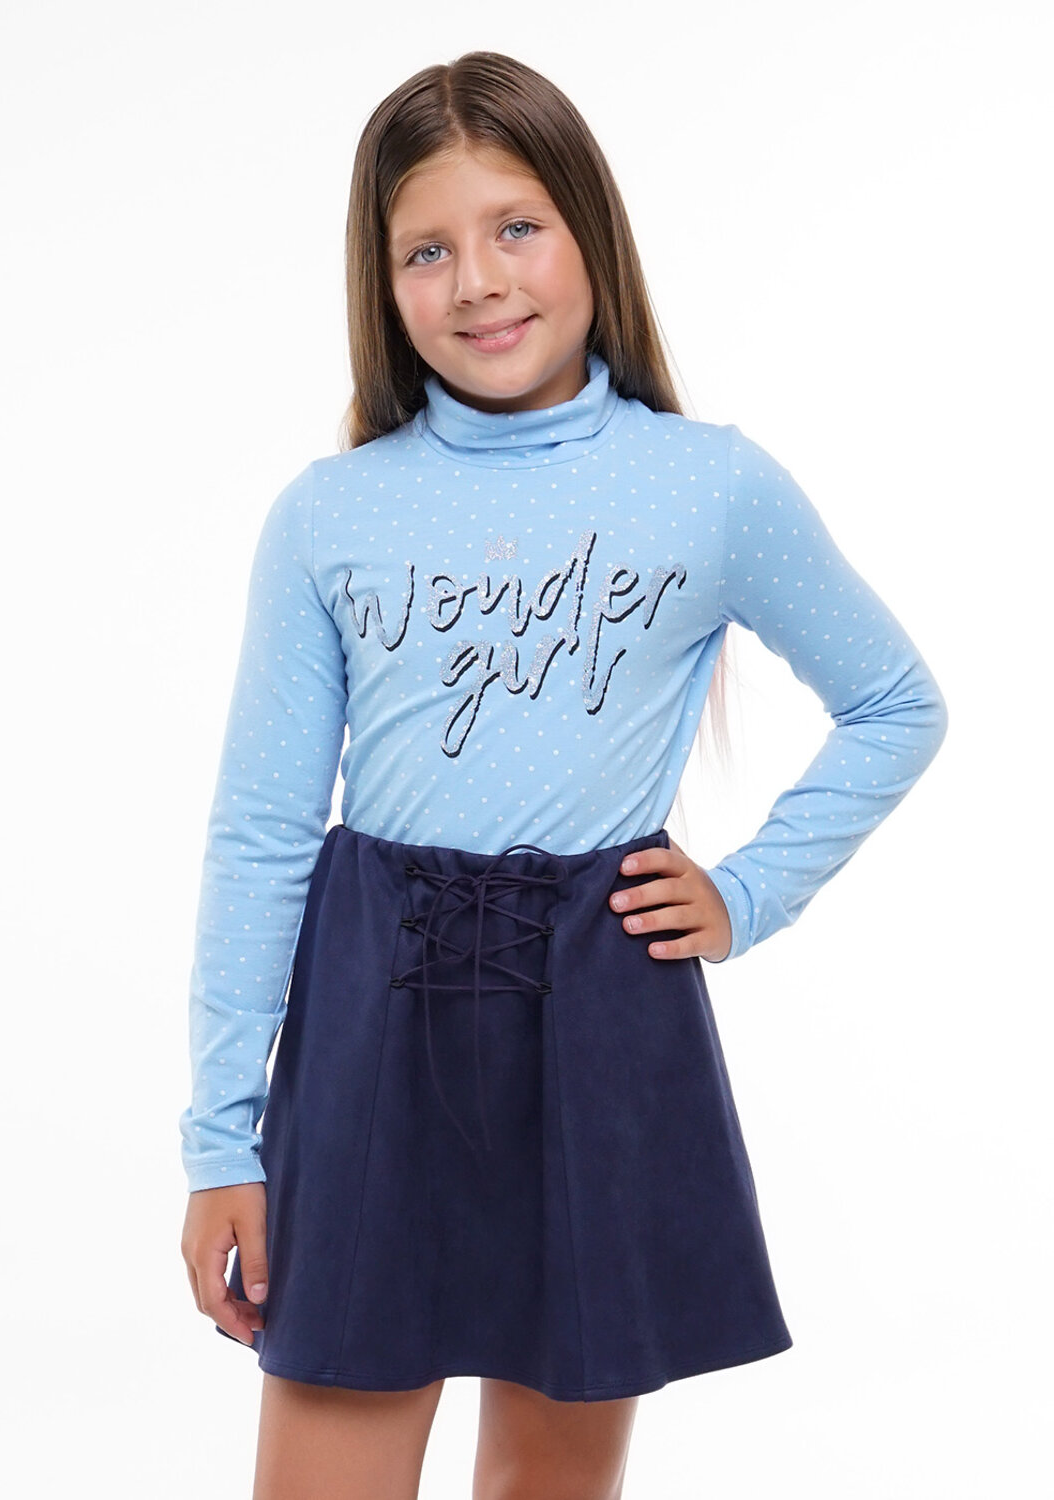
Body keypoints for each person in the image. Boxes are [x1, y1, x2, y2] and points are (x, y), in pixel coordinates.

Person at [179, 49, 949, 1500]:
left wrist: (747, 894)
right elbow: (263, 832)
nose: (478, 282)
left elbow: (896, 703)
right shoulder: (331, 514)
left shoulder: (710, 484)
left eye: (516, 227)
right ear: (381, 283)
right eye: (426, 250)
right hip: (368, 1028)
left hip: (600, 1025)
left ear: (590, 230)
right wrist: (222, 1139)